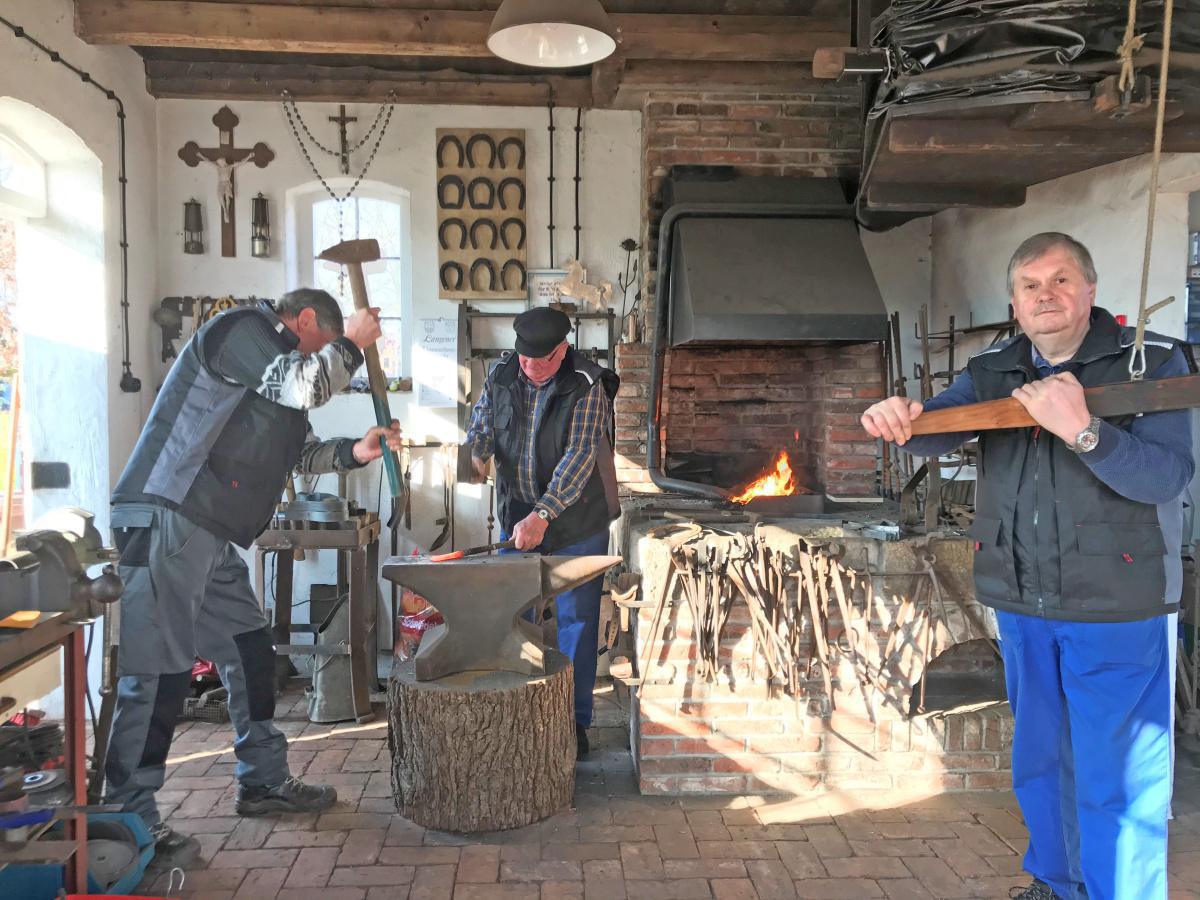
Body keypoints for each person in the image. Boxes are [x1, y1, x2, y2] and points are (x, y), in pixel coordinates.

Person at [861, 233, 1192, 900]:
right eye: (1032, 285)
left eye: (1062, 280)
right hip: (1023, 600)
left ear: (1091, 292)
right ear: (1015, 302)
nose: (1048, 295)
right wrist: (900, 417)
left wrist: (1085, 432)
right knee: (1041, 762)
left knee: (1119, 778)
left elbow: (1166, 476)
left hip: (1117, 604)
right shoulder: (997, 367)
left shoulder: (1151, 362)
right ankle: (1058, 883)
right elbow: (942, 424)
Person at [106, 288, 402, 867]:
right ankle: (126, 819)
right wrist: (353, 345)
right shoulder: (241, 332)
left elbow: (299, 454)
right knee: (159, 671)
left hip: (210, 529)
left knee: (250, 650)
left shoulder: (279, 371)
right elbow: (306, 383)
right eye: (321, 343)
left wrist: (356, 452)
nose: (319, 358)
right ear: (307, 320)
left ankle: (262, 781)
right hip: (169, 511)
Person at [465, 307, 620, 758]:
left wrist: (543, 515)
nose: (530, 368)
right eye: (525, 358)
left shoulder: (587, 385)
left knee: (577, 622)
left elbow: (577, 458)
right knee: (516, 617)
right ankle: (520, 711)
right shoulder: (501, 375)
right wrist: (475, 456)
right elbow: (481, 427)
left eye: (541, 361)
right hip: (518, 516)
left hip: (577, 521)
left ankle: (573, 722)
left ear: (563, 350)